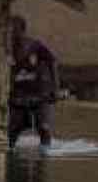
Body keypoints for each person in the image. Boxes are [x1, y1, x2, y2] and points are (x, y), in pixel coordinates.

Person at [8, 15, 61, 147]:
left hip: (39, 94)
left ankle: (45, 153)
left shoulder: (35, 46)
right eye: (9, 30)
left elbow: (52, 61)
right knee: (12, 131)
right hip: (18, 96)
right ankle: (10, 153)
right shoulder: (6, 49)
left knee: (44, 127)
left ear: (22, 30)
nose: (11, 33)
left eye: (14, 30)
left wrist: (55, 88)